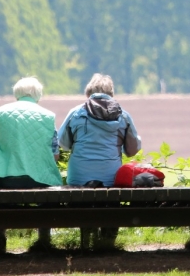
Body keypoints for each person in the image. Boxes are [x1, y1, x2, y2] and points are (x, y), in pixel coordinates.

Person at [58, 73, 141, 249]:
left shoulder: (76, 112)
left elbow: (63, 144)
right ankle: (108, 243)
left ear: (89, 92)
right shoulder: (123, 115)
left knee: (83, 202)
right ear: (111, 93)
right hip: (111, 179)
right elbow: (132, 150)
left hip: (79, 179)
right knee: (112, 200)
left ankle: (86, 241)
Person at [0, 76, 62, 251]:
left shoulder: (2, 113)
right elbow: (55, 155)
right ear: (38, 95)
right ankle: (44, 238)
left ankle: (0, 232)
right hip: (41, 179)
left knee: (3, 196)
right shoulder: (48, 117)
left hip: (7, 177)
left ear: (16, 93)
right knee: (48, 198)